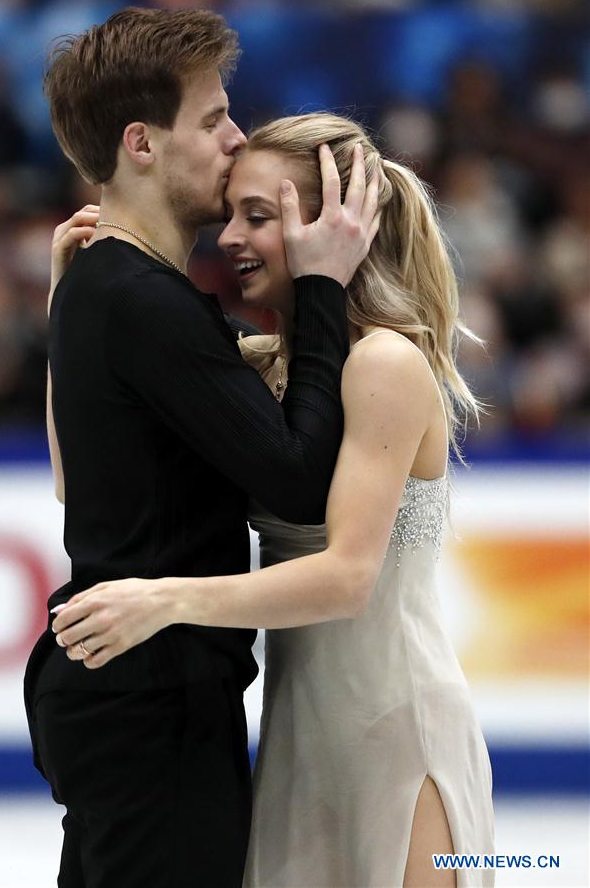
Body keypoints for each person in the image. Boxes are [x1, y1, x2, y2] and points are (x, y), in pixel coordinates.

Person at [52, 113, 495, 887]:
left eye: (259, 215)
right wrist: (69, 311)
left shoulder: (382, 363)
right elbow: (76, 479)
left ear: (335, 224)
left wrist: (164, 600)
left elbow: (347, 577)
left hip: (395, 727)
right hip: (297, 732)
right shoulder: (259, 365)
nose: (229, 237)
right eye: (231, 213)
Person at [24, 8, 379, 888]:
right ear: (141, 143)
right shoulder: (142, 298)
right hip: (149, 696)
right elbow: (298, 482)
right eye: (215, 117)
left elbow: (76, 480)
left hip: (128, 691)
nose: (237, 135)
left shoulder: (100, 281)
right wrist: (327, 289)